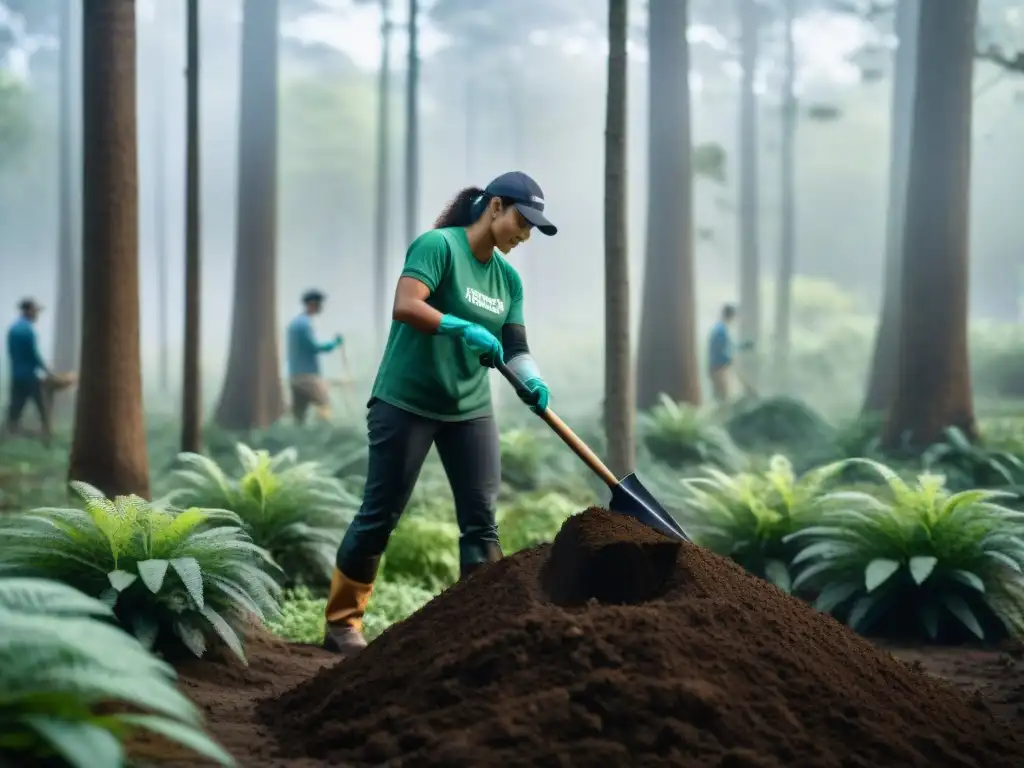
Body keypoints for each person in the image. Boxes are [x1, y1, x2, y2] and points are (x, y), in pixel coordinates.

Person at [323, 171, 557, 655]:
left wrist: (531, 378)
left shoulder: (508, 278)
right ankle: (342, 622)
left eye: (533, 228)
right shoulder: (439, 247)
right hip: (406, 401)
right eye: (522, 221)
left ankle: (482, 628)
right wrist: (459, 327)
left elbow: (515, 346)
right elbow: (407, 306)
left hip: (469, 409)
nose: (524, 234)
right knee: (379, 515)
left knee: (481, 522)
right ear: (495, 207)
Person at [286, 289, 343, 424]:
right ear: (312, 304)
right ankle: (324, 435)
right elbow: (313, 347)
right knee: (324, 404)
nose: (321, 307)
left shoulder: (295, 323)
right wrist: (334, 344)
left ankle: (299, 438)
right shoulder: (303, 324)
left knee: (299, 412)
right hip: (307, 376)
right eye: (319, 303)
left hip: (294, 375)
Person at [3, 298, 52, 443]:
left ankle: (8, 433)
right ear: (28, 311)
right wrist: (46, 370)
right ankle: (46, 434)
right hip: (29, 375)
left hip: (16, 374)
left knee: (15, 405)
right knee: (41, 405)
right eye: (35, 311)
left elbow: (12, 353)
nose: (37, 314)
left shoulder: (13, 329)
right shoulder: (28, 331)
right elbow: (33, 354)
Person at [708, 303, 738, 404]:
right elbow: (719, 351)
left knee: (721, 397)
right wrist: (729, 360)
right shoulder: (720, 330)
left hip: (717, 367)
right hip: (719, 368)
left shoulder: (720, 328)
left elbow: (729, 346)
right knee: (723, 399)